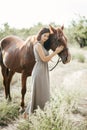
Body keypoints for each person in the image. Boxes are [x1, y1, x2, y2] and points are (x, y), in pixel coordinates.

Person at [23, 27, 64, 118]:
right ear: (40, 35)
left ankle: (37, 113)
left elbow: (46, 58)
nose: (45, 38)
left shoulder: (43, 46)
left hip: (43, 71)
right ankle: (29, 113)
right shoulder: (37, 45)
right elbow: (44, 59)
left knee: (43, 93)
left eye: (47, 36)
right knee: (38, 93)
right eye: (44, 36)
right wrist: (56, 52)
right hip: (38, 71)